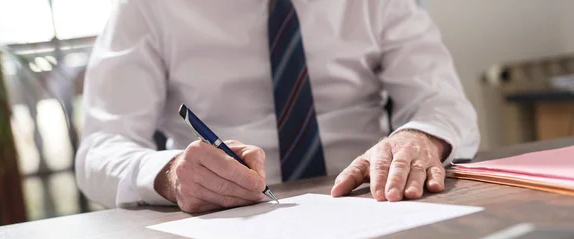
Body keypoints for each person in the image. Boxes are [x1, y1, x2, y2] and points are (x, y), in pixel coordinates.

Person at [76, 0, 479, 212]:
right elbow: (99, 150)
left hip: (373, 203)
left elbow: (443, 103)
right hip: (225, 224)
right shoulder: (146, 7)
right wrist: (169, 174)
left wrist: (419, 136)